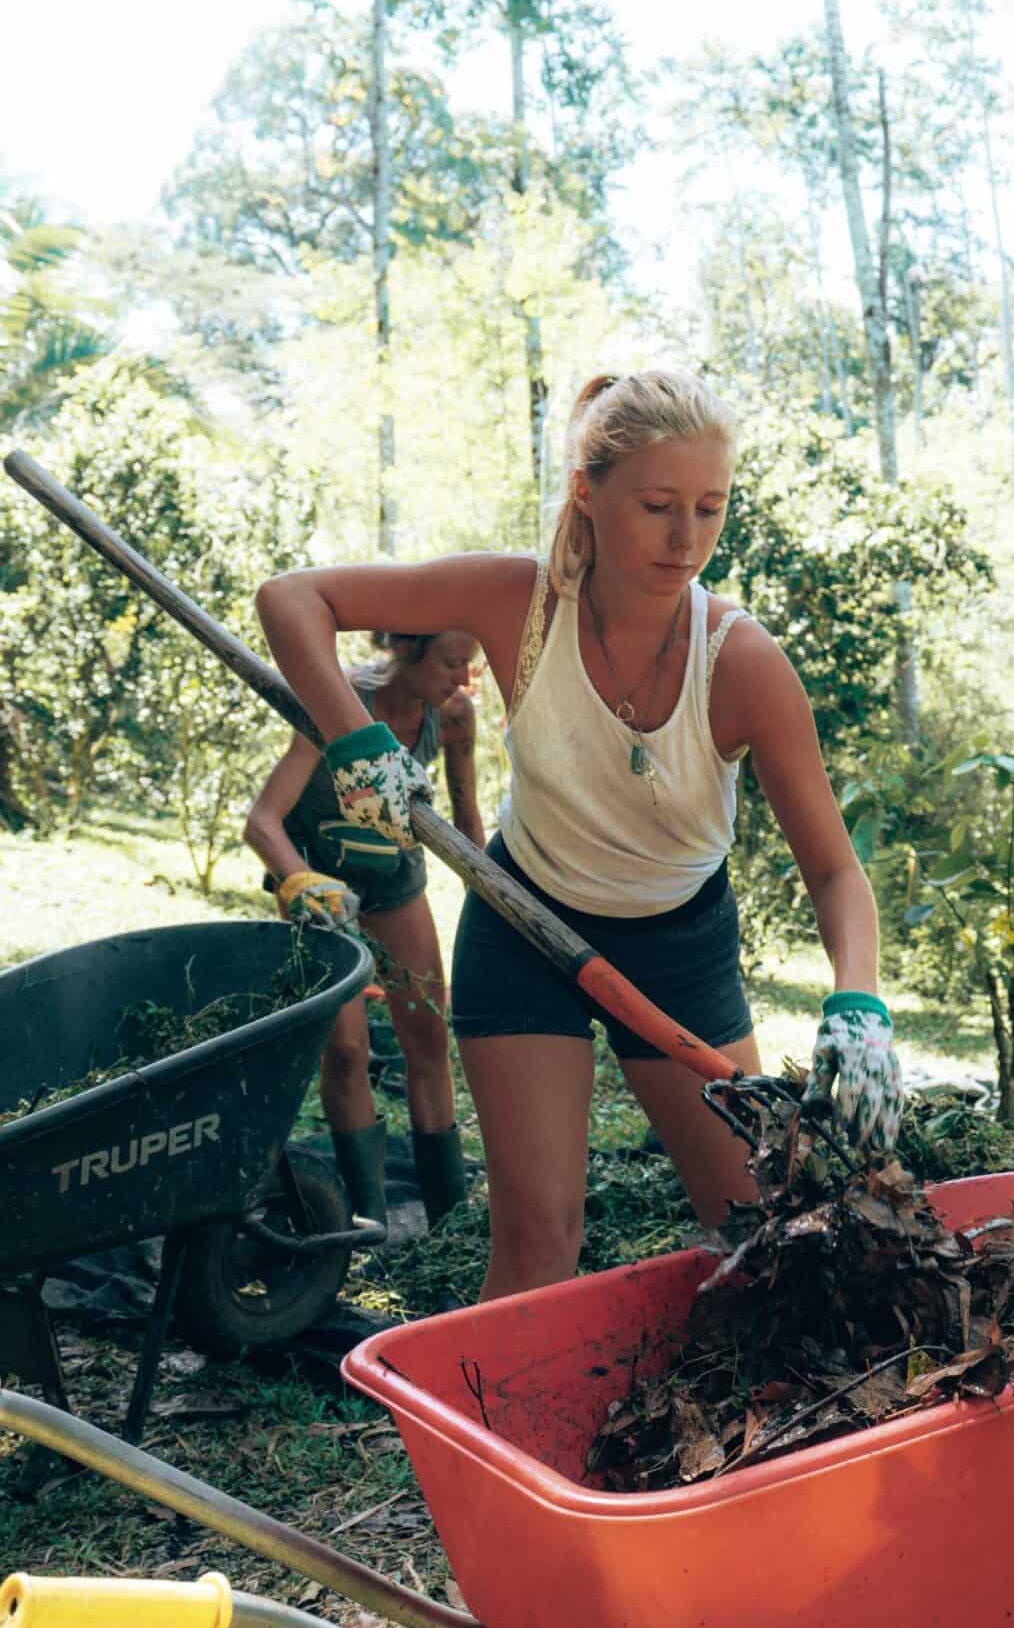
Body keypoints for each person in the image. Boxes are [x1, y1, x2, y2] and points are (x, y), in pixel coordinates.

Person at [255, 370, 904, 1299]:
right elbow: (293, 598)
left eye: (712, 509)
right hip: (525, 924)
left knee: (755, 1229)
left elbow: (836, 872)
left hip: (678, 950)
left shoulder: (743, 662)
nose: (688, 541)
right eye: (658, 506)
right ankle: (487, 1443)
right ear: (587, 493)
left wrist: (860, 1005)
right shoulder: (514, 601)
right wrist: (357, 742)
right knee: (537, 1234)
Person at [243, 628, 484, 1234]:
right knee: (347, 1051)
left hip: (393, 876)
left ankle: (447, 1219)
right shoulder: (343, 701)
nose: (463, 679)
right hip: (321, 885)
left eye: (469, 666)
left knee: (428, 1034)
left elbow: (465, 814)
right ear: (407, 651)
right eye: (452, 663)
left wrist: (491, 893)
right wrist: (301, 885)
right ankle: (366, 1221)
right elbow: (263, 822)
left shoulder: (452, 716)